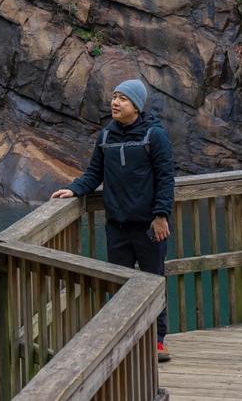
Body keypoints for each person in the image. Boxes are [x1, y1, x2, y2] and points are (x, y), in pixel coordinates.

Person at [51, 79, 175, 362]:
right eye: (114, 97)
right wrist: (75, 189)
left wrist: (160, 216)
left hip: (147, 227)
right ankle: (123, 338)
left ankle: (157, 340)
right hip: (116, 226)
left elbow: (166, 179)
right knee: (118, 286)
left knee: (152, 282)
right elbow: (94, 173)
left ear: (136, 105)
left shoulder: (154, 136)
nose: (115, 103)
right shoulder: (106, 136)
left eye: (122, 99)